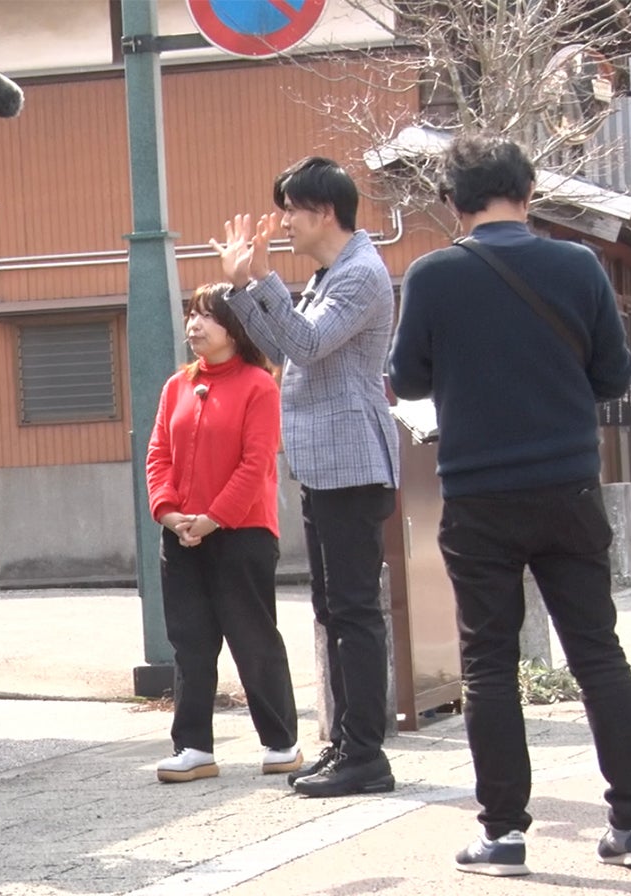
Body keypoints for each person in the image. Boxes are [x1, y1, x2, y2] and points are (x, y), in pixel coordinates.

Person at [387, 135, 631, 876]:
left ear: (452, 200)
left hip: (479, 496)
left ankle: (503, 834)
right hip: (569, 486)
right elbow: (613, 375)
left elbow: (407, 379)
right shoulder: (579, 266)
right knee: (598, 654)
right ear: (530, 191)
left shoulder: (433, 274)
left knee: (489, 664)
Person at [209, 157, 400, 799]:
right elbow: (282, 345)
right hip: (328, 464)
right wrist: (243, 287)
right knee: (332, 609)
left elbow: (310, 343)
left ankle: (366, 753)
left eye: (291, 209)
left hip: (354, 463)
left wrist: (259, 277)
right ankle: (347, 742)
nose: (284, 221)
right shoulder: (329, 275)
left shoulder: (361, 273)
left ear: (324, 211)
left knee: (353, 611)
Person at [145, 283, 300, 784]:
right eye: (192, 314)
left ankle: (281, 742)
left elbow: (256, 463)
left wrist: (214, 517)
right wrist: (169, 513)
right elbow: (158, 454)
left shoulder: (259, 385)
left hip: (242, 533)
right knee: (189, 642)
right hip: (182, 534)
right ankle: (193, 746)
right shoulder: (176, 386)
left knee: (252, 638)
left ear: (235, 328)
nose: (194, 324)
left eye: (207, 316)